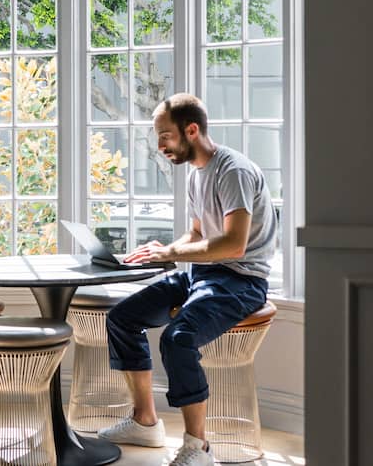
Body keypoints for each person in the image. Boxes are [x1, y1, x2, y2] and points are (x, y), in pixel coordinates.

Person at [98, 93, 276, 466]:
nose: (159, 145)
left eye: (165, 136)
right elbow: (195, 235)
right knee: (122, 318)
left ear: (191, 130)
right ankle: (145, 422)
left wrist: (173, 254)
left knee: (178, 339)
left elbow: (233, 245)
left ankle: (198, 447)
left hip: (241, 280)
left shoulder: (234, 171)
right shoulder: (198, 174)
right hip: (202, 272)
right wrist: (159, 251)